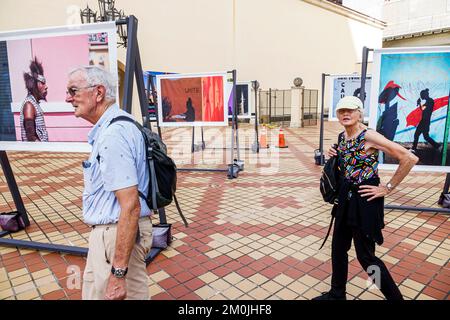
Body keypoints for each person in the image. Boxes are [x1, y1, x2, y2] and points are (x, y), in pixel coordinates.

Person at [313, 96, 418, 300]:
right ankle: (337, 294)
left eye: (350, 110)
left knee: (367, 257)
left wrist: (387, 188)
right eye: (341, 110)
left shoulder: (369, 136)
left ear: (360, 113)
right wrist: (333, 152)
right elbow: (346, 163)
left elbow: (410, 158)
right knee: (338, 249)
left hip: (365, 200)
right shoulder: (343, 137)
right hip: (345, 200)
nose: (345, 114)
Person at [65, 66, 153, 300]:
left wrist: (118, 273)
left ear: (99, 92)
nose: (68, 98)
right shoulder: (120, 124)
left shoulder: (113, 135)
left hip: (115, 237)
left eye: (73, 91)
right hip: (109, 237)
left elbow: (130, 205)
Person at [20, 57, 49, 142]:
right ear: (34, 85)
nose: (46, 86)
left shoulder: (34, 103)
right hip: (36, 153)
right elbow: (30, 136)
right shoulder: (29, 105)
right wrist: (42, 150)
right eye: (42, 83)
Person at [411, 88, 441, 154]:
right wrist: (419, 104)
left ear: (424, 95)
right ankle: (438, 146)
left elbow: (423, 108)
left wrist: (419, 103)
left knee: (418, 135)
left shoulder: (430, 101)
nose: (421, 97)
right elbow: (422, 109)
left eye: (421, 95)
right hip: (425, 121)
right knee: (425, 136)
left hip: (425, 121)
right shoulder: (428, 101)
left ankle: (414, 148)